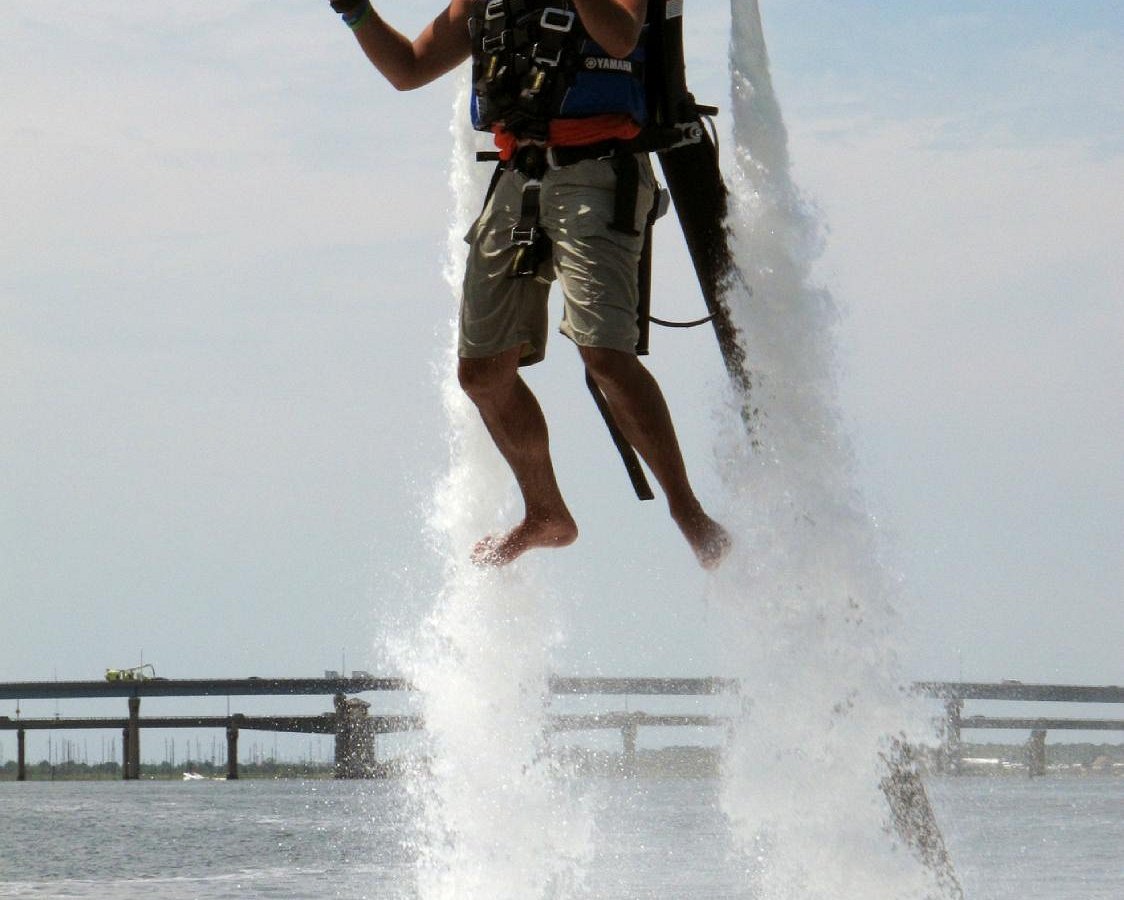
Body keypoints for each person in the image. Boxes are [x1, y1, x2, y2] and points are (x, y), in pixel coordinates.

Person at [329, 0, 730, 569]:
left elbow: (618, 37)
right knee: (480, 374)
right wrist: (354, 11)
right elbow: (408, 69)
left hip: (599, 170)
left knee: (606, 357)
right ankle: (545, 513)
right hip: (520, 177)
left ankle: (687, 511)